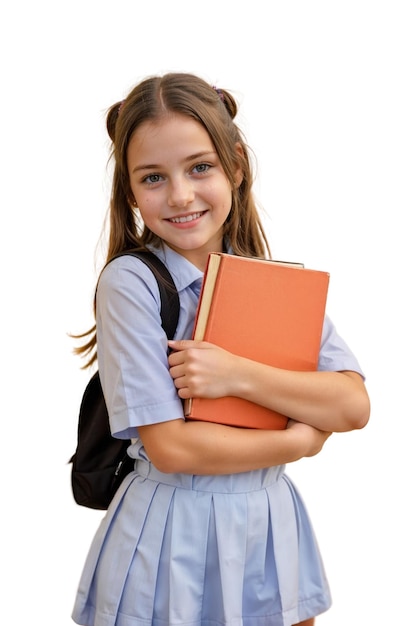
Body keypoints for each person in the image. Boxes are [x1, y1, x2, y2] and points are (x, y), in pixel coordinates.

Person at [71, 72, 370, 626]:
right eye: (153, 177)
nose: (181, 195)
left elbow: (352, 406)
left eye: (200, 167)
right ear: (130, 192)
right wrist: (299, 441)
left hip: (269, 527)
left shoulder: (267, 282)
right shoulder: (131, 284)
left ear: (236, 165)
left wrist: (237, 375)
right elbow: (172, 449)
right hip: (172, 533)